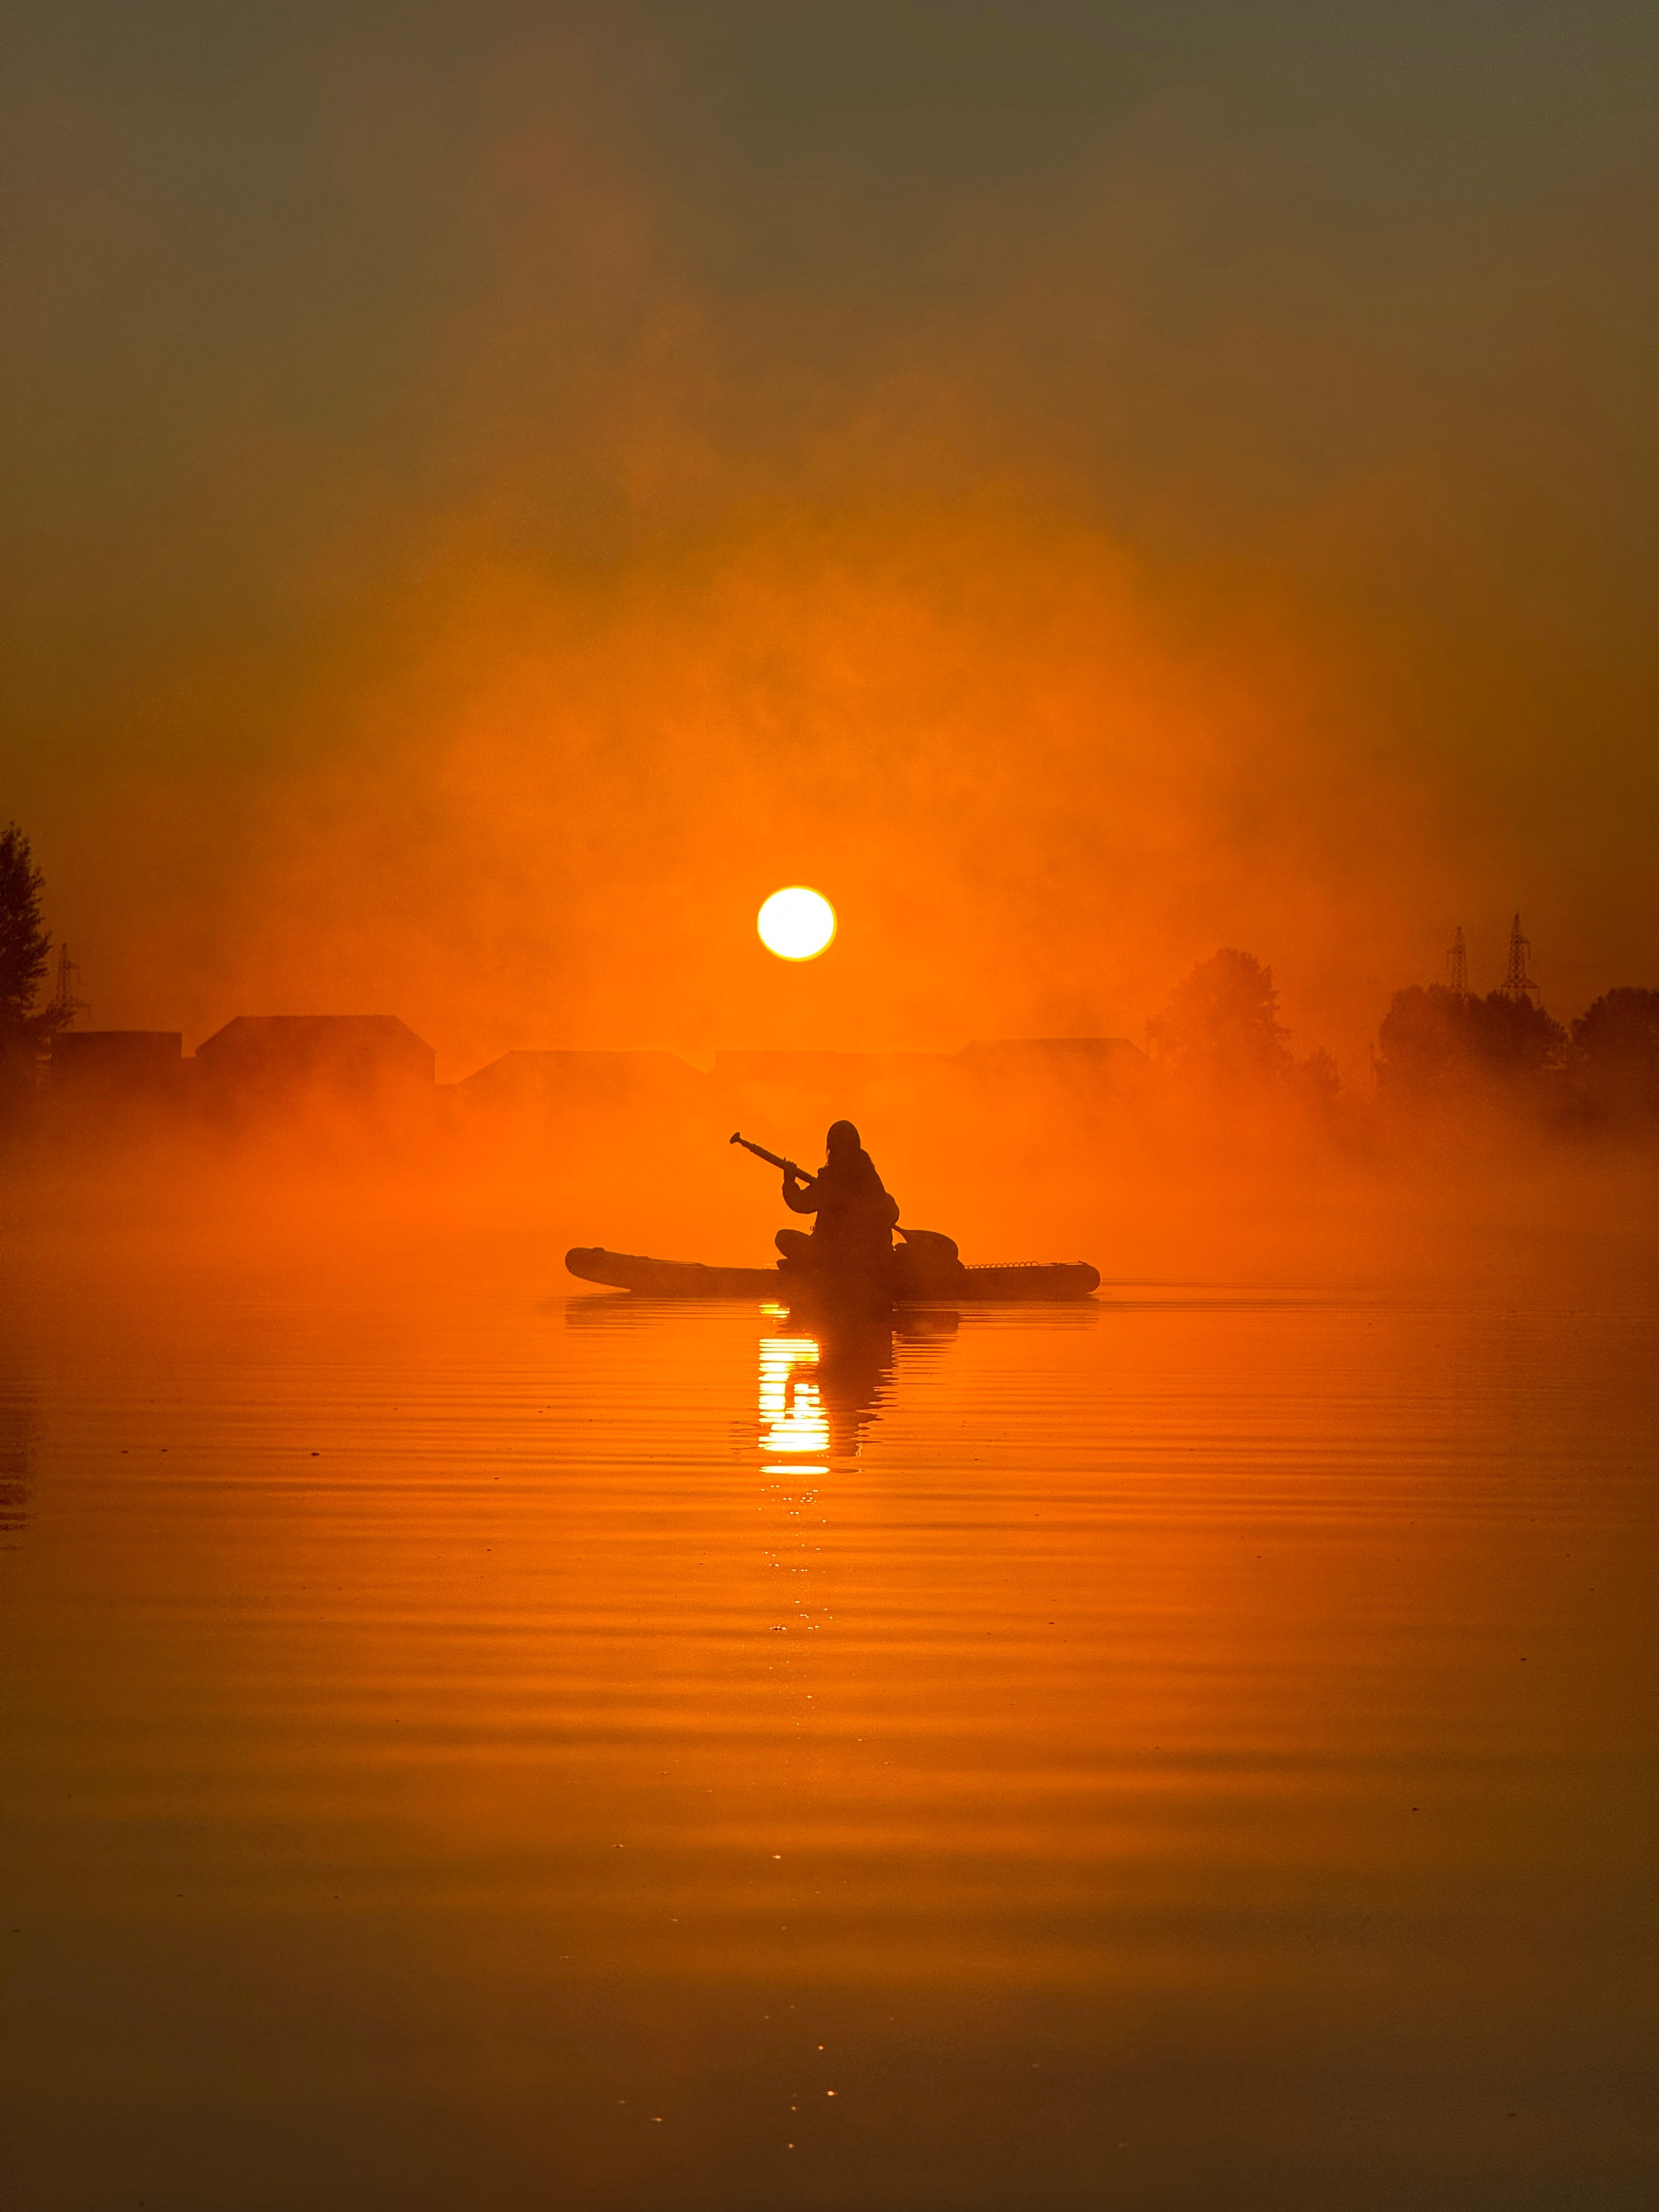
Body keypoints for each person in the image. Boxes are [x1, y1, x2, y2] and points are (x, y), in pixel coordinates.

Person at [775, 1120, 899, 1276]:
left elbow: (801, 1203)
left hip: (836, 1258)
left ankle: (805, 1270)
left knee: (783, 1238)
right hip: (871, 1259)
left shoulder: (832, 1178)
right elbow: (891, 1212)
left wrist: (789, 1181)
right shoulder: (871, 1176)